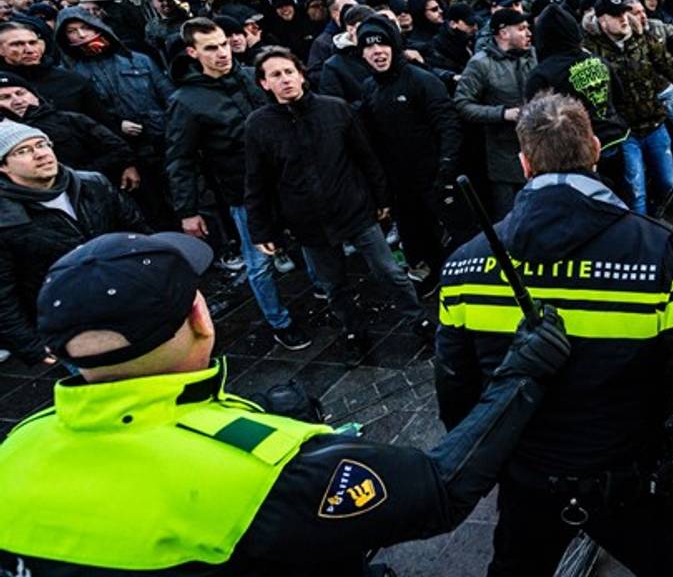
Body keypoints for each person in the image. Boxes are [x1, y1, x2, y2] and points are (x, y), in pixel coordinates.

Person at [0, 229, 575, 574]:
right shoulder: (260, 468)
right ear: (201, 317)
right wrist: (523, 371)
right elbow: (441, 489)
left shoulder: (20, 446)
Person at [435, 94, 673, 577]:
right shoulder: (658, 255)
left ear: (525, 162)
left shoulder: (466, 265)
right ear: (595, 148)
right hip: (636, 481)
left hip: (529, 482)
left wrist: (480, 464)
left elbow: (455, 383)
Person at [244, 46, 434, 362]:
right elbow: (257, 181)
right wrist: (262, 229)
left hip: (354, 208)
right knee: (334, 286)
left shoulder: (335, 109)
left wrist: (381, 198)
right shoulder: (259, 124)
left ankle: (419, 321)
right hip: (308, 221)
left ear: (301, 74)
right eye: (275, 75)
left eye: (289, 71)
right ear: (264, 83)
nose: (285, 79)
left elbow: (366, 157)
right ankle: (353, 332)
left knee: (390, 272)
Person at [165, 18, 306, 350]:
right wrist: (188, 210)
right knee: (258, 260)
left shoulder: (247, 77)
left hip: (285, 179)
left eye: (224, 44)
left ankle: (320, 289)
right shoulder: (186, 100)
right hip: (241, 191)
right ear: (193, 52)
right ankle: (278, 321)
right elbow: (179, 159)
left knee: (308, 238)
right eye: (211, 48)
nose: (221, 53)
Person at [0, 120, 149, 365]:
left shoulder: (92, 183)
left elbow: (137, 231)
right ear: (4, 166)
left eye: (42, 144)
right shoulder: (6, 217)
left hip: (129, 300)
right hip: (72, 325)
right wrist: (30, 344)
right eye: (23, 151)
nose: (40, 154)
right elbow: (4, 293)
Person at [356, 15, 464, 283]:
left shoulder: (422, 80)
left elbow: (449, 125)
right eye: (369, 47)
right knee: (416, 236)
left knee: (454, 235)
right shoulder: (369, 88)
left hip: (434, 176)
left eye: (382, 45)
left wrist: (446, 169)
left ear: (393, 46)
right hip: (400, 184)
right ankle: (430, 275)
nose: (377, 52)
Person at [54, 5, 176, 228]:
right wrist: (117, 125)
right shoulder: (69, 75)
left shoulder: (138, 59)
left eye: (85, 27)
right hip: (123, 152)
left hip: (163, 142)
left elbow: (168, 96)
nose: (81, 35)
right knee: (150, 209)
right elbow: (82, 117)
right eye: (72, 31)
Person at [586, 0, 673, 213]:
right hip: (625, 132)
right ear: (602, 21)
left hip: (655, 123)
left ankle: (656, 208)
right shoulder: (591, 49)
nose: (623, 19)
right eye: (616, 15)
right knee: (636, 191)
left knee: (667, 181)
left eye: (624, 13)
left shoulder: (642, 38)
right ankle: (643, 230)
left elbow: (668, 63)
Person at [525, 3, 632, 201]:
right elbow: (619, 96)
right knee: (619, 198)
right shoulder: (597, 60)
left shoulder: (542, 75)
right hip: (613, 139)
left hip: (574, 156)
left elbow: (537, 122)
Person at [453, 8, 537, 218]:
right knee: (511, 219)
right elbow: (462, 104)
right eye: (521, 29)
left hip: (538, 150)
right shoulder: (481, 64)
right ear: (504, 33)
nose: (528, 33)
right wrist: (503, 114)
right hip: (504, 158)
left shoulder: (532, 55)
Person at [0, 71, 137, 189]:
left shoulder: (69, 120)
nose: (18, 101)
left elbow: (118, 149)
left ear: (35, 95)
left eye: (21, 93)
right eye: (4, 97)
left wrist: (78, 176)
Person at [0, 21, 118, 130]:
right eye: (17, 44)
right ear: (1, 49)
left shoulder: (72, 81)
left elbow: (102, 127)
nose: (29, 50)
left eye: (33, 42)